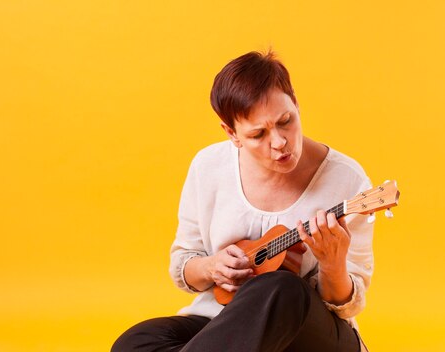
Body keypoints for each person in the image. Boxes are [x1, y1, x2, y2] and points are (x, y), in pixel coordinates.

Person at [112, 50, 373, 352]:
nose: (279, 142)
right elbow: (184, 262)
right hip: (224, 325)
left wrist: (333, 264)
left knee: (283, 289)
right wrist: (210, 267)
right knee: (135, 342)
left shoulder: (348, 181)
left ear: (296, 103)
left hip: (311, 337)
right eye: (258, 134)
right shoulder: (208, 167)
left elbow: (346, 307)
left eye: (286, 120)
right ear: (231, 133)